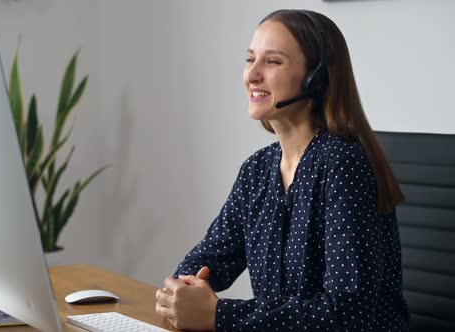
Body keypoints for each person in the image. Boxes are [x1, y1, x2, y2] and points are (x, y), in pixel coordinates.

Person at [155, 9, 410, 332]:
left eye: (272, 62)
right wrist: (180, 294)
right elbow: (206, 262)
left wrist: (220, 315)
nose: (252, 75)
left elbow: (347, 313)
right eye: (250, 60)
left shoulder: (342, 164)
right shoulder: (257, 170)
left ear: (316, 79)